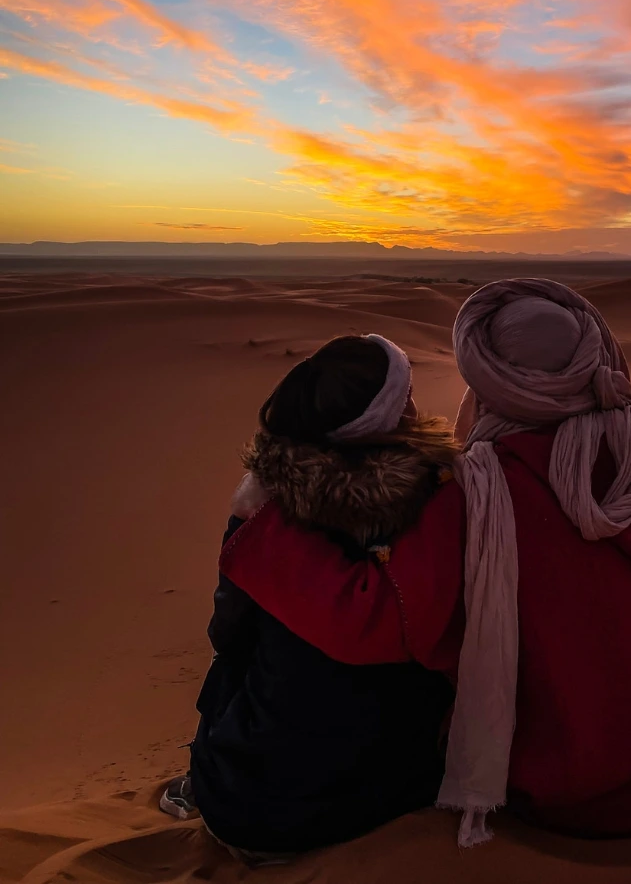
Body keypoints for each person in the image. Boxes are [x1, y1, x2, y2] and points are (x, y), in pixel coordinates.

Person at [221, 280, 631, 848]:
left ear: (497, 387)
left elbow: (377, 621)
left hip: (574, 792)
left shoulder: (480, 492)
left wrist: (266, 527)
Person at [161, 335, 459, 862]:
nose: (414, 404)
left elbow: (226, 632)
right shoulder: (433, 496)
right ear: (387, 416)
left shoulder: (260, 506)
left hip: (245, 805)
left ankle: (207, 778)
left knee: (239, 656)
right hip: (382, 794)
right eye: (405, 395)